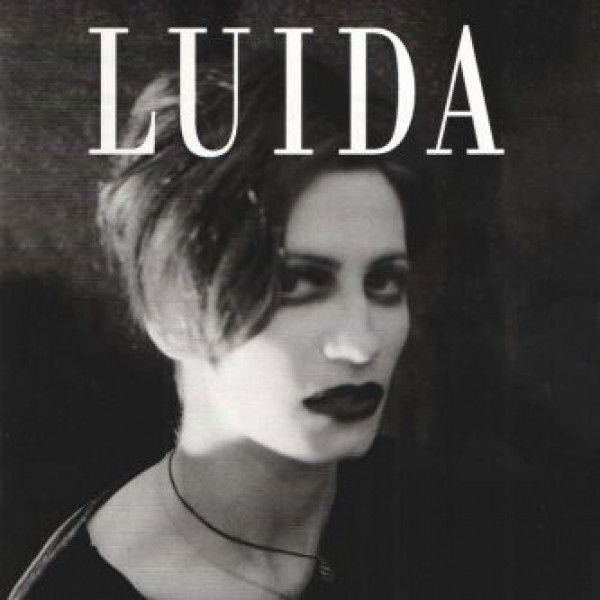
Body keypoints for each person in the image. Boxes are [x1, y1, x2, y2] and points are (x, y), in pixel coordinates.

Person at [9, 52, 433, 599]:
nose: (360, 342)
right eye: (297, 285)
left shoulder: (443, 516)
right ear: (169, 310)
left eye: (384, 282)